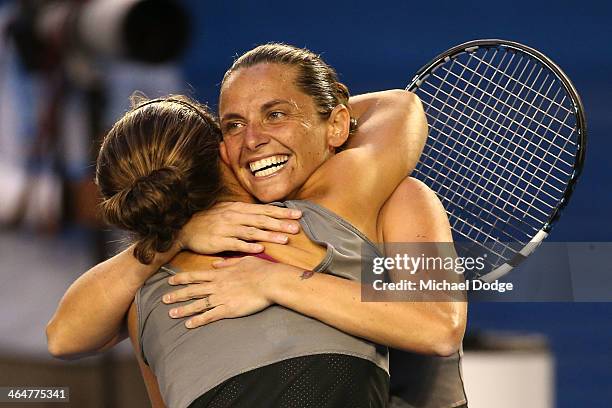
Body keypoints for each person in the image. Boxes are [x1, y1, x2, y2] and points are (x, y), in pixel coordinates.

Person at [47, 44, 467, 407]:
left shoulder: (144, 301)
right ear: (220, 152)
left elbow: (63, 338)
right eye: (233, 125)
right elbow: (398, 106)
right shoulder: (351, 200)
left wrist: (269, 280)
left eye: (275, 115)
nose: (252, 140)